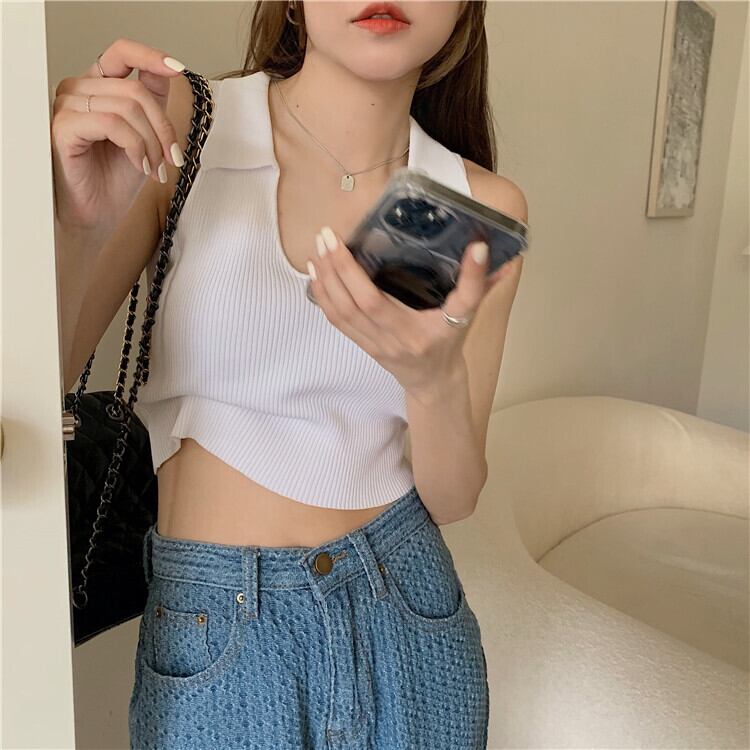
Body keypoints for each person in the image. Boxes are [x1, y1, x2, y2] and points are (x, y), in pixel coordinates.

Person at [51, 1, 526, 747]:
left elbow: (455, 496)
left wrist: (432, 381)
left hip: (408, 616)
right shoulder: (185, 124)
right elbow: (38, 379)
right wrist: (77, 226)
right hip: (219, 629)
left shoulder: (469, 203)